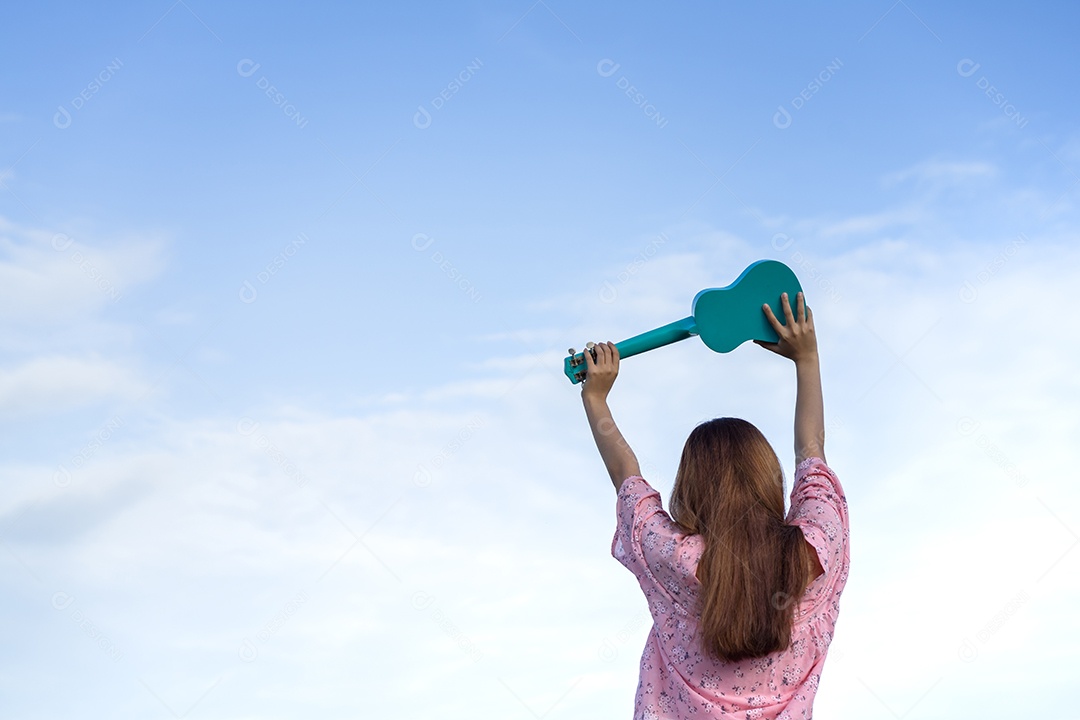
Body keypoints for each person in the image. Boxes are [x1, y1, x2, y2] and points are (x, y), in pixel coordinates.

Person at [580, 291, 849, 719]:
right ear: (769, 478)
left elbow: (627, 478)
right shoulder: (817, 551)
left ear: (689, 488)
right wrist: (807, 358)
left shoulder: (672, 558)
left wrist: (595, 397)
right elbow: (811, 452)